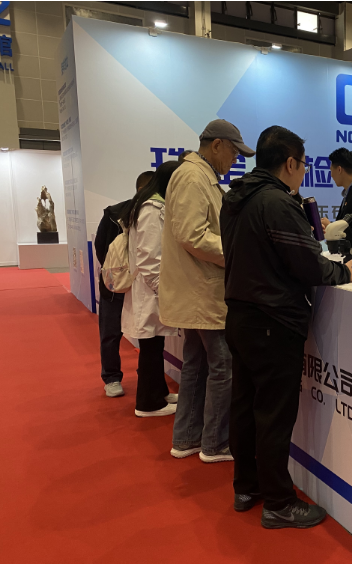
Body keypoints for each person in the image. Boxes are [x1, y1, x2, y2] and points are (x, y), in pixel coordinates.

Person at [221, 125, 352, 529]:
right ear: (289, 163)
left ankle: (246, 486)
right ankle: (279, 502)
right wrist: (344, 273)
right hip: (274, 320)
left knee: (245, 406)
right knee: (273, 414)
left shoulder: (236, 197)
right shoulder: (277, 202)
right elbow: (307, 264)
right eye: (302, 165)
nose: (303, 172)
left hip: (241, 315)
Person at [160, 119, 255, 463]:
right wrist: (238, 251)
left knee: (197, 366)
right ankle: (215, 443)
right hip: (202, 290)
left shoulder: (200, 176)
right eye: (234, 152)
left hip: (198, 290)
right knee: (222, 367)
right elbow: (193, 235)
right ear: (217, 145)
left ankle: (187, 438)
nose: (235, 159)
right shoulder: (193, 177)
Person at [120, 161, 181, 417]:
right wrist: (161, 290)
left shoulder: (154, 206)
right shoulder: (151, 208)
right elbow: (149, 257)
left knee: (155, 345)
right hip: (151, 289)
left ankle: (159, 393)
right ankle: (148, 403)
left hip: (152, 288)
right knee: (150, 347)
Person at [94, 170, 154, 398]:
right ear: (141, 190)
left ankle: (147, 378)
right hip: (116, 286)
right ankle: (111, 377)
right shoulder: (113, 214)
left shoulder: (158, 214)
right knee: (110, 333)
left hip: (143, 286)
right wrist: (119, 274)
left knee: (148, 335)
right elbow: (101, 249)